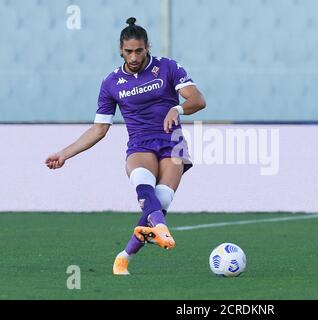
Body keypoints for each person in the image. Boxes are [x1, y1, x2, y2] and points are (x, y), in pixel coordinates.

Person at [45, 17, 206, 275]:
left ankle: (124, 257)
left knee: (161, 201)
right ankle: (161, 230)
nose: (133, 57)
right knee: (145, 189)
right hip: (141, 143)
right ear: (120, 50)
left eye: (139, 51)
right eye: (128, 51)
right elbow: (99, 129)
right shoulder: (111, 83)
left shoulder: (167, 67)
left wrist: (177, 108)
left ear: (147, 48)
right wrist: (65, 153)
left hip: (173, 144)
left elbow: (198, 100)